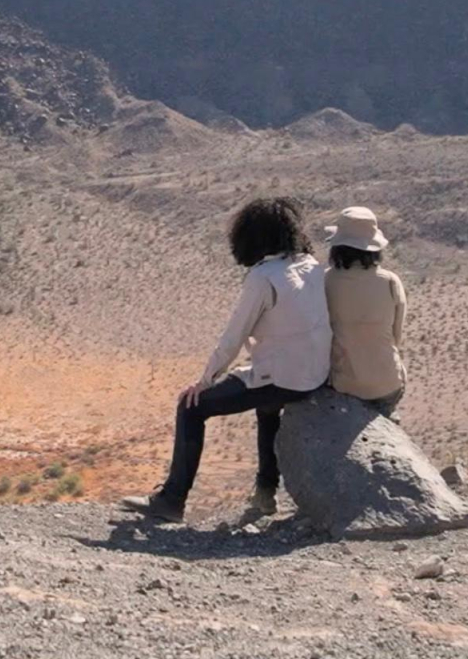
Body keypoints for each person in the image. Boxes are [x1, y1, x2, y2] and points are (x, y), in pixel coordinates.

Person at [121, 197, 332, 523]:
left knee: (192, 407)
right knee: (266, 402)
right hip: (315, 374)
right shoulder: (310, 265)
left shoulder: (263, 277)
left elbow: (232, 339)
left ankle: (171, 500)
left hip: (285, 377)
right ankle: (265, 493)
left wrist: (204, 382)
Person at [324, 207, 407, 417]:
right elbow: (396, 336)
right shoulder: (390, 281)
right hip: (388, 384)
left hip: (345, 385)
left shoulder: (324, 281)